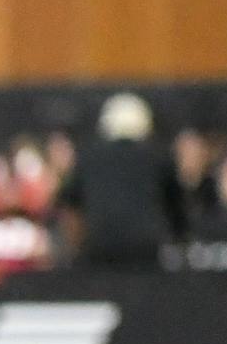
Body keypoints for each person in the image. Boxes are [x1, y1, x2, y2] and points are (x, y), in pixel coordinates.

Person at [57, 93, 181, 270]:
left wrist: (74, 248)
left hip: (97, 248)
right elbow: (176, 210)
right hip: (145, 251)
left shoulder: (88, 157)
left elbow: (69, 206)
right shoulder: (158, 157)